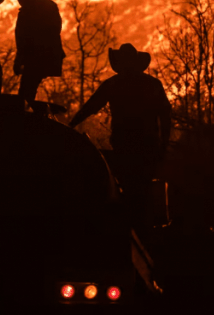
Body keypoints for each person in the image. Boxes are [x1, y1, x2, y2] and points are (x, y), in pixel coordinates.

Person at [69, 43, 172, 227]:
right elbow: (165, 115)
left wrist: (70, 126)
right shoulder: (152, 84)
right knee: (142, 192)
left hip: (126, 148)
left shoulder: (113, 84)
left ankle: (134, 230)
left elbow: (91, 107)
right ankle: (142, 231)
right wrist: (163, 145)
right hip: (146, 148)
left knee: (131, 190)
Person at [9, 0, 65, 111]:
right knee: (26, 93)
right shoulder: (31, 10)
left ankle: (26, 119)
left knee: (25, 94)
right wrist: (19, 60)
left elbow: (51, 31)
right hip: (35, 59)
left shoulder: (44, 7)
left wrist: (23, 58)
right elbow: (23, 42)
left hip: (39, 59)